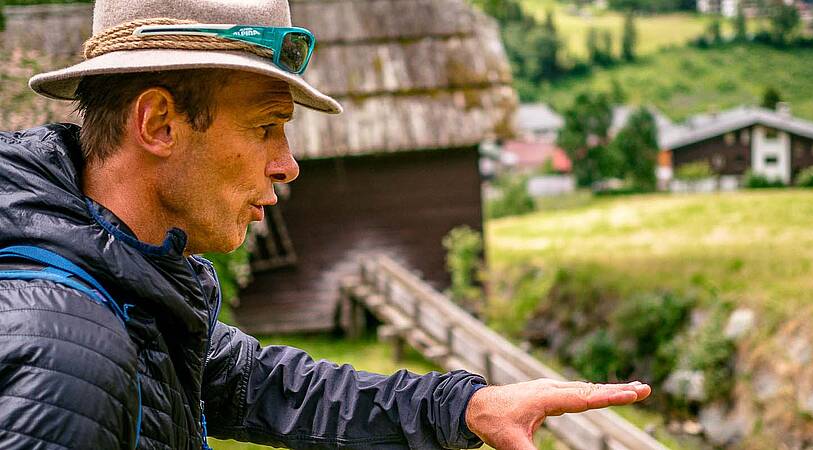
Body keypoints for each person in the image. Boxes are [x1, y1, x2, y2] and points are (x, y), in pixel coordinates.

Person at [0, 0, 651, 449]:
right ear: (160, 124)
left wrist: (465, 407)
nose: (288, 165)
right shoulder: (67, 353)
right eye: (264, 128)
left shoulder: (124, 285)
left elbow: (262, 384)